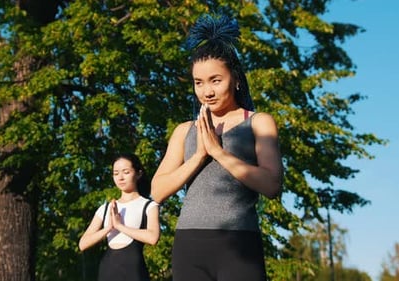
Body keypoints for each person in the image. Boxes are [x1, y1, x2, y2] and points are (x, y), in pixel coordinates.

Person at [151, 14, 283, 281]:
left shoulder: (259, 122)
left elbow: (272, 185)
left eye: (215, 80)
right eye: (198, 83)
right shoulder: (184, 130)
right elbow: (157, 191)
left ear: (235, 79)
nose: (206, 91)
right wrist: (198, 156)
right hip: (189, 245)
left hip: (239, 243)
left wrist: (219, 153)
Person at [79, 152, 160, 281]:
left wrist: (120, 226)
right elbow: (83, 244)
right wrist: (108, 228)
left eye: (126, 172)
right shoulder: (106, 208)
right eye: (116, 173)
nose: (120, 177)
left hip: (134, 271)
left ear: (138, 174)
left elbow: (153, 237)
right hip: (108, 270)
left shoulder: (149, 205)